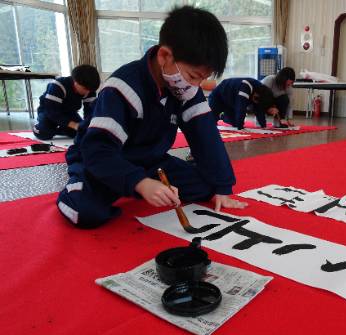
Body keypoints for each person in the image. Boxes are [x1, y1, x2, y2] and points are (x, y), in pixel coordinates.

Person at [57, 6, 247, 228]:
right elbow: (98, 150)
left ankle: (139, 184)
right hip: (104, 159)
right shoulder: (124, 87)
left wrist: (223, 187)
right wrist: (139, 182)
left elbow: (206, 136)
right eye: (193, 76)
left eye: (201, 79)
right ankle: (75, 187)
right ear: (165, 55)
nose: (195, 85)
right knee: (86, 211)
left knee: (207, 187)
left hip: (150, 161)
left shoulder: (185, 89)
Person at [33, 65, 100, 140]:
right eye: (85, 89)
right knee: (44, 133)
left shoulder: (89, 89)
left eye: (90, 90)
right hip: (48, 112)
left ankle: (60, 129)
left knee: (81, 132)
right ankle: (40, 127)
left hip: (68, 113)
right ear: (76, 82)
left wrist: (88, 125)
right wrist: (74, 125)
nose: (87, 92)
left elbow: (89, 111)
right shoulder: (58, 85)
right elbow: (51, 112)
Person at [208, 77, 277, 130]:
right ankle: (219, 114)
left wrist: (263, 126)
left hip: (231, 102)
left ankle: (222, 116)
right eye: (256, 101)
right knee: (211, 123)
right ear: (256, 95)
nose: (255, 103)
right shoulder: (245, 86)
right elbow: (241, 107)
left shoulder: (260, 93)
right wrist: (241, 128)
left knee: (235, 123)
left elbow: (259, 109)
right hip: (218, 97)